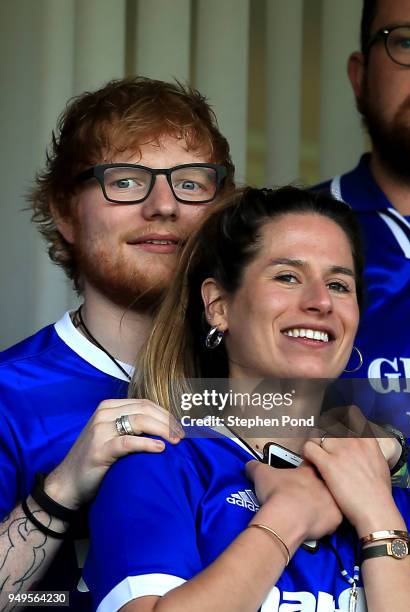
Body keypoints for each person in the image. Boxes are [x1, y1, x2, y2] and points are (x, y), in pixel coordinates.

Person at [85, 187, 410, 612]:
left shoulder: (389, 493)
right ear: (219, 306)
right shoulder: (161, 465)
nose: (320, 302)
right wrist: (288, 517)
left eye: (338, 284)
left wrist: (378, 517)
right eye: (287, 276)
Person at [0, 77, 234, 609]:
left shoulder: (262, 378)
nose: (164, 205)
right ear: (65, 211)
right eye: (126, 181)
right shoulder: (9, 394)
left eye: (192, 182)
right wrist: (62, 489)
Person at [316, 0, 410, 490]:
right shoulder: (281, 237)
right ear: (360, 77)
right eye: (406, 41)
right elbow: (212, 408)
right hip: (337, 559)